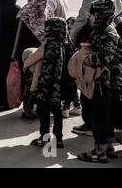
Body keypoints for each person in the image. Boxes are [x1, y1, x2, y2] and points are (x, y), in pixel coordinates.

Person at [71, 0, 122, 136]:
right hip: (111, 37)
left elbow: (83, 14)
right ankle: (105, 126)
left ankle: (90, 124)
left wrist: (71, 36)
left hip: (92, 35)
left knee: (88, 78)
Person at [77, 0, 122, 164]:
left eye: (94, 14)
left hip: (107, 82)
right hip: (101, 80)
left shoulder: (108, 33)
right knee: (106, 116)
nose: (92, 17)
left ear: (102, 15)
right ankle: (109, 147)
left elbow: (105, 57)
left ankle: (99, 152)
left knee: (100, 117)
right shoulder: (99, 31)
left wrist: (84, 57)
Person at [30, 18, 72, 149]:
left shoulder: (48, 46)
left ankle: (44, 138)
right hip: (62, 87)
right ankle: (59, 139)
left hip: (46, 86)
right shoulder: (68, 45)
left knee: (44, 112)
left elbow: (35, 64)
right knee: (58, 113)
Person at [16, 0, 52, 118]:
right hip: (44, 50)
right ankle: (40, 108)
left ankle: (29, 109)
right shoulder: (48, 9)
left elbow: (19, 33)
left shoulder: (27, 9)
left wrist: (14, 54)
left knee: (29, 80)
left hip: (27, 51)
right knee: (41, 78)